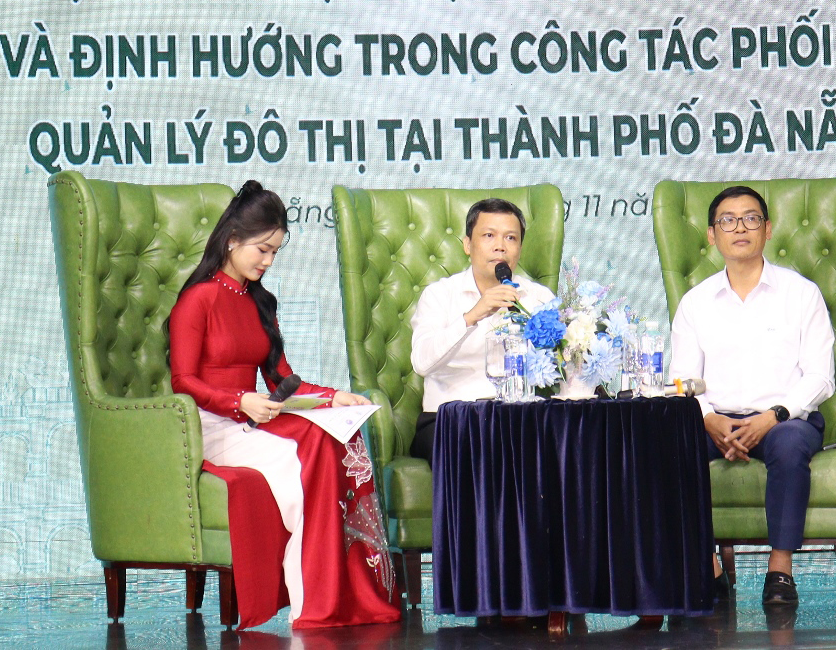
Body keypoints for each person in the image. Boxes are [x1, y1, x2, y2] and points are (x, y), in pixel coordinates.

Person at [168, 181, 401, 629]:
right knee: (306, 470)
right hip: (211, 425)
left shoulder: (259, 303)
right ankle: (312, 605)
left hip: (252, 419)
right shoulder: (196, 300)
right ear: (232, 239)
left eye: (274, 252)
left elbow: (281, 379)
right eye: (262, 249)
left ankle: (347, 595)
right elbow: (184, 380)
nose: (267, 261)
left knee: (335, 435)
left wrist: (333, 397)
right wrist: (238, 400)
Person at [668, 186, 835, 606]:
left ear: (768, 228)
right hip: (715, 418)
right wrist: (707, 419)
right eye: (727, 220)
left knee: (791, 443)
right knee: (669, 444)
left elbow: (820, 377)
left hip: (785, 419)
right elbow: (682, 380)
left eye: (751, 218)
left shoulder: (801, 293)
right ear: (712, 235)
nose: (739, 228)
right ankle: (707, 567)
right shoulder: (695, 303)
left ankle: (780, 569)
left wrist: (773, 416)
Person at [406, 198, 553, 461]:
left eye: (511, 238)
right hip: (450, 420)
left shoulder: (538, 298)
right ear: (467, 245)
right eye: (489, 235)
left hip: (518, 419)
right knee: (485, 451)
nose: (500, 246)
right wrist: (473, 315)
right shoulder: (439, 295)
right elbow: (422, 362)